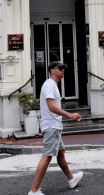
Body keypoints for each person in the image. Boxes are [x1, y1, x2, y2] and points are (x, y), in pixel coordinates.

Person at [28, 61, 83, 195]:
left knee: (61, 152)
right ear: (53, 70)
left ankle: (71, 178)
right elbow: (51, 107)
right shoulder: (49, 85)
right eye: (61, 68)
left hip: (54, 126)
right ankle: (33, 191)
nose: (63, 70)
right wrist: (69, 115)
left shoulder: (52, 85)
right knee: (47, 156)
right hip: (51, 126)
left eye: (64, 68)